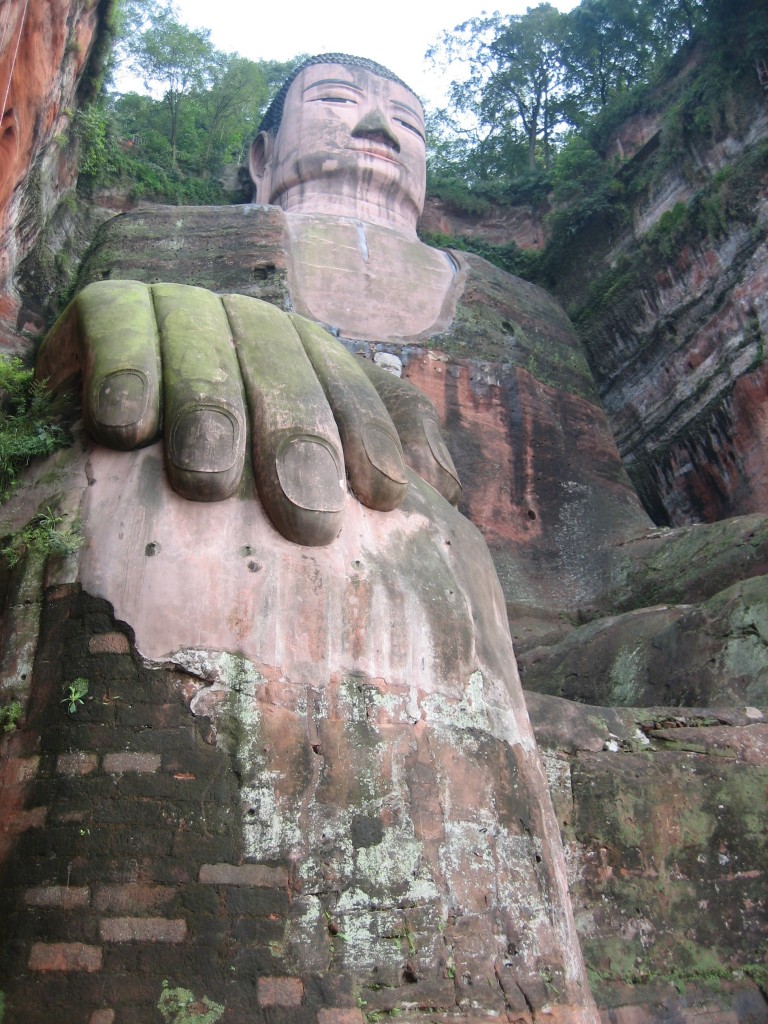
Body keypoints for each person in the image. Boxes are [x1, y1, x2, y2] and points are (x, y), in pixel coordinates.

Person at [24, 55, 600, 1021]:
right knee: (194, 498)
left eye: (406, 120)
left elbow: (608, 553)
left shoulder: (521, 309)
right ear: (260, 154)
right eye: (337, 101)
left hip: (552, 627)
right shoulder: (173, 236)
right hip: (365, 540)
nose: (377, 123)